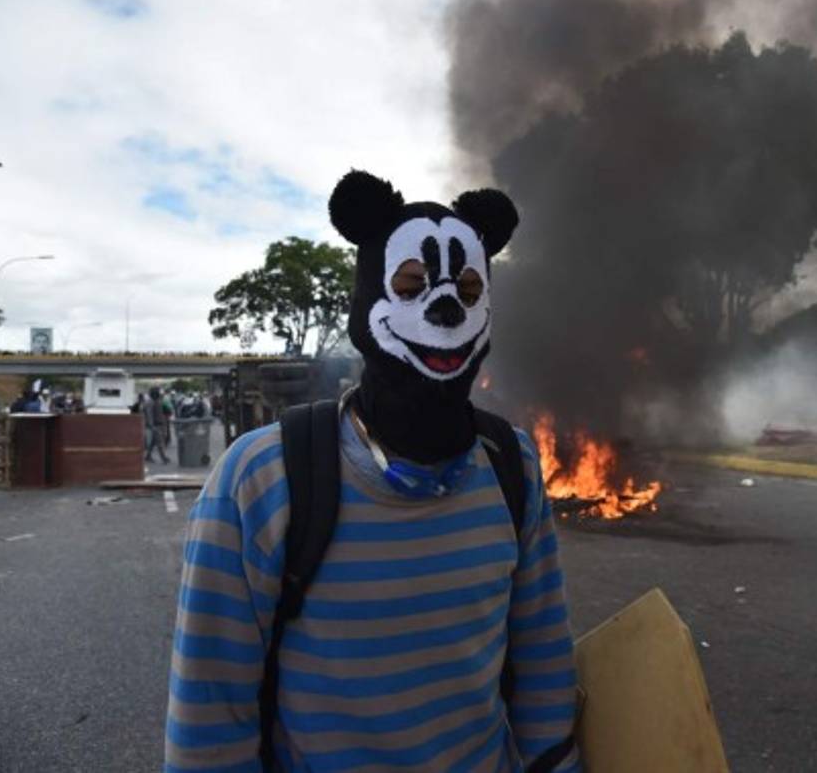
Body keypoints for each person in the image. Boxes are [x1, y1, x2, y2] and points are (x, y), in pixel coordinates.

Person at [166, 170, 579, 771]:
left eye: (468, 289)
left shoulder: (512, 464)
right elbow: (208, 728)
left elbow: (544, 666)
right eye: (411, 285)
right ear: (367, 300)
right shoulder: (259, 478)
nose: (446, 308)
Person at [144, 386, 169, 464]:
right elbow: (149, 415)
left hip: (159, 424)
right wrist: (152, 426)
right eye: (158, 392)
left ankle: (148, 456)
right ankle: (163, 458)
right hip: (156, 425)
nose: (160, 394)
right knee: (160, 442)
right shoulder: (150, 402)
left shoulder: (157, 401)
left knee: (153, 442)